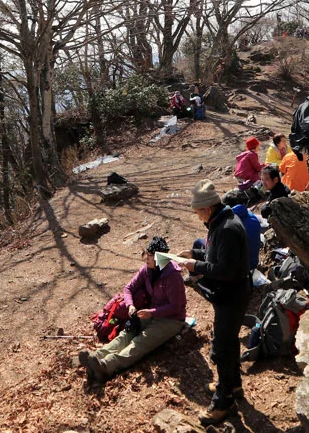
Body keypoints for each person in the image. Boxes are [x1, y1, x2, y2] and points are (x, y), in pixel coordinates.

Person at [177, 180, 251, 425]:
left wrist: (195, 266)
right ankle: (233, 385)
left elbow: (224, 269)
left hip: (232, 294)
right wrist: (195, 254)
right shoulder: (219, 222)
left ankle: (224, 402)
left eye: (197, 211)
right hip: (229, 294)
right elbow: (216, 255)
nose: (197, 215)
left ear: (207, 208)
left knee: (221, 347)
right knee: (228, 342)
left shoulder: (227, 228)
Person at [80, 237, 187, 384]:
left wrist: (151, 312)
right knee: (128, 332)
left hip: (171, 319)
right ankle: (96, 357)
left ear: (160, 258)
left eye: (151, 256)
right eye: (147, 255)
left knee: (140, 341)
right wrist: (130, 305)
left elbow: (176, 306)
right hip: (150, 312)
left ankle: (106, 367)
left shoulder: (172, 275)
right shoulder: (147, 269)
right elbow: (128, 288)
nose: (147, 259)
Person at [221, 189, 261, 271]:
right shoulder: (253, 218)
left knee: (198, 243)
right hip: (252, 264)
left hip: (235, 270)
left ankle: (195, 278)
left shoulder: (227, 224)